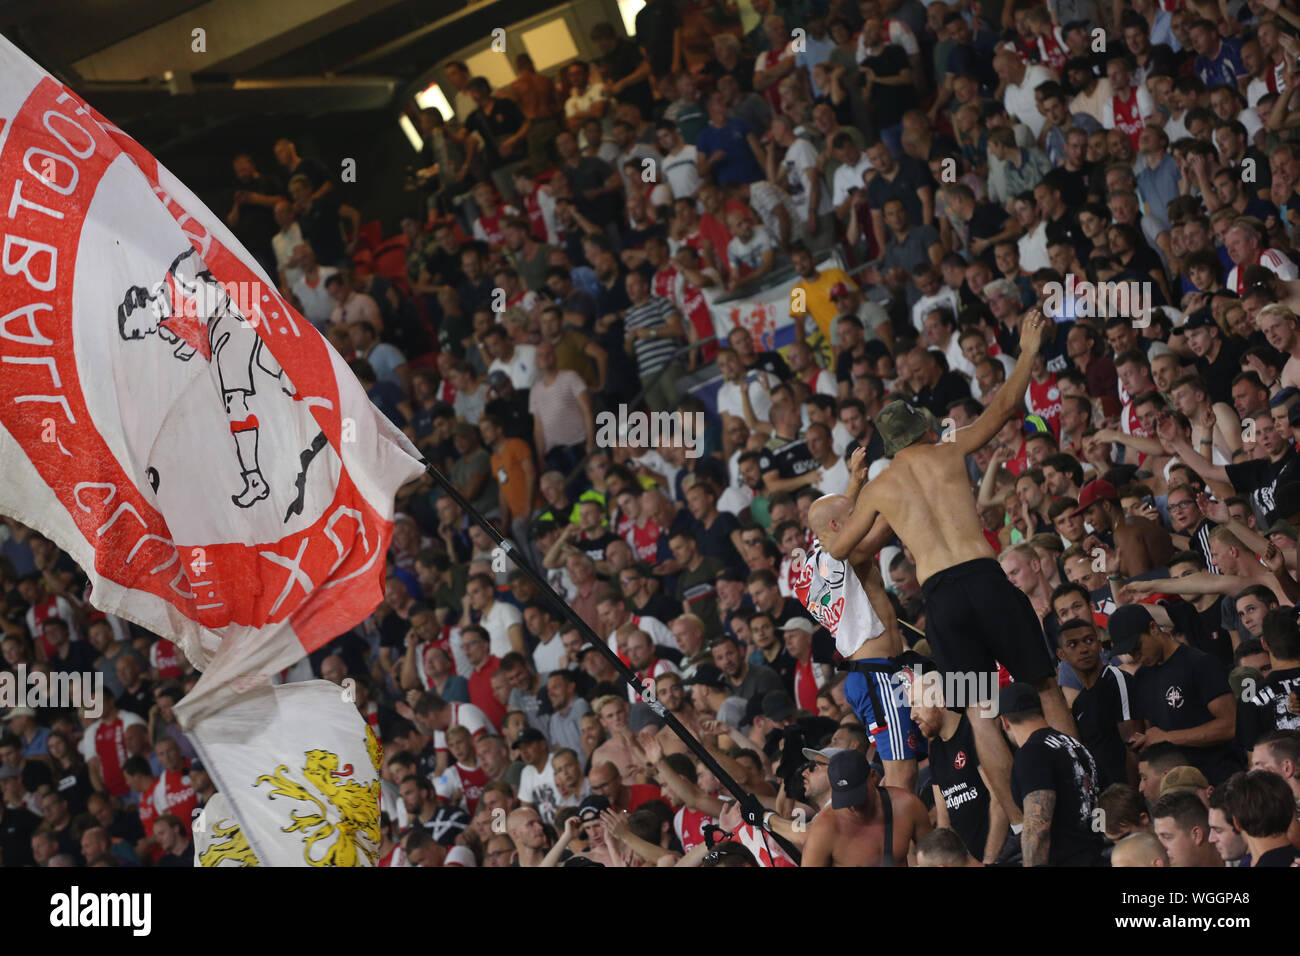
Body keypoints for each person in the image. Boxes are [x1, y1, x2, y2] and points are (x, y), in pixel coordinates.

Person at [828, 311, 1078, 826]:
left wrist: (856, 486)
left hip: (941, 598)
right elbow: (1007, 405)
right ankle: (1081, 791)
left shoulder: (879, 488)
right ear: (923, 429)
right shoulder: (947, 450)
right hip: (986, 581)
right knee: (1045, 685)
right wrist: (1028, 347)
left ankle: (1017, 823)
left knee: (978, 709)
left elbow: (840, 551)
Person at [1000, 682, 1107, 866]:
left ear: (1004, 722)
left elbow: (1037, 830)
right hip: (1096, 856)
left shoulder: (1031, 753)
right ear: (1041, 711)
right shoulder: (1074, 745)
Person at [800, 748, 931, 866]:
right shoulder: (824, 829)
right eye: (844, 800)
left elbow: (934, 857)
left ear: (873, 776)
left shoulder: (907, 806)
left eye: (857, 797)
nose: (853, 807)